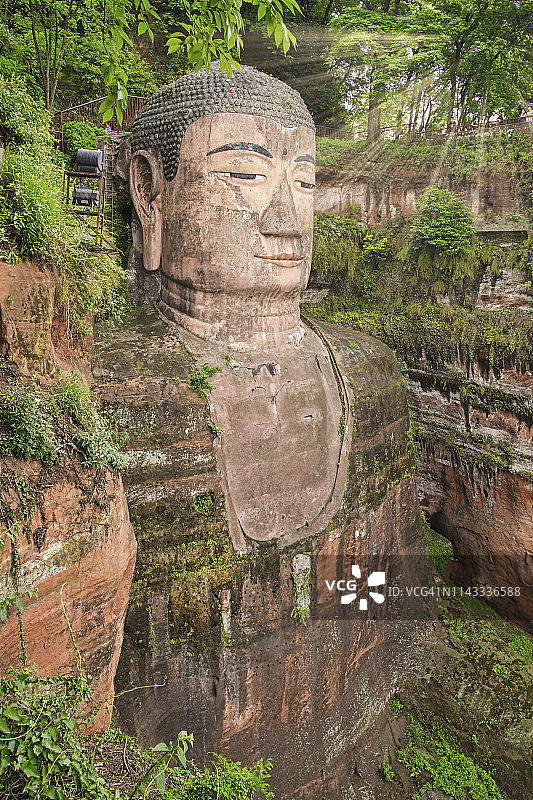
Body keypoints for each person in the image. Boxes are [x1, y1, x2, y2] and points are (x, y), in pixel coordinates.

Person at [127, 65, 350, 550]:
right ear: (149, 192)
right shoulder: (115, 401)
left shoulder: (368, 371)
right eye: (245, 174)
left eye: (305, 183)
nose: (287, 220)